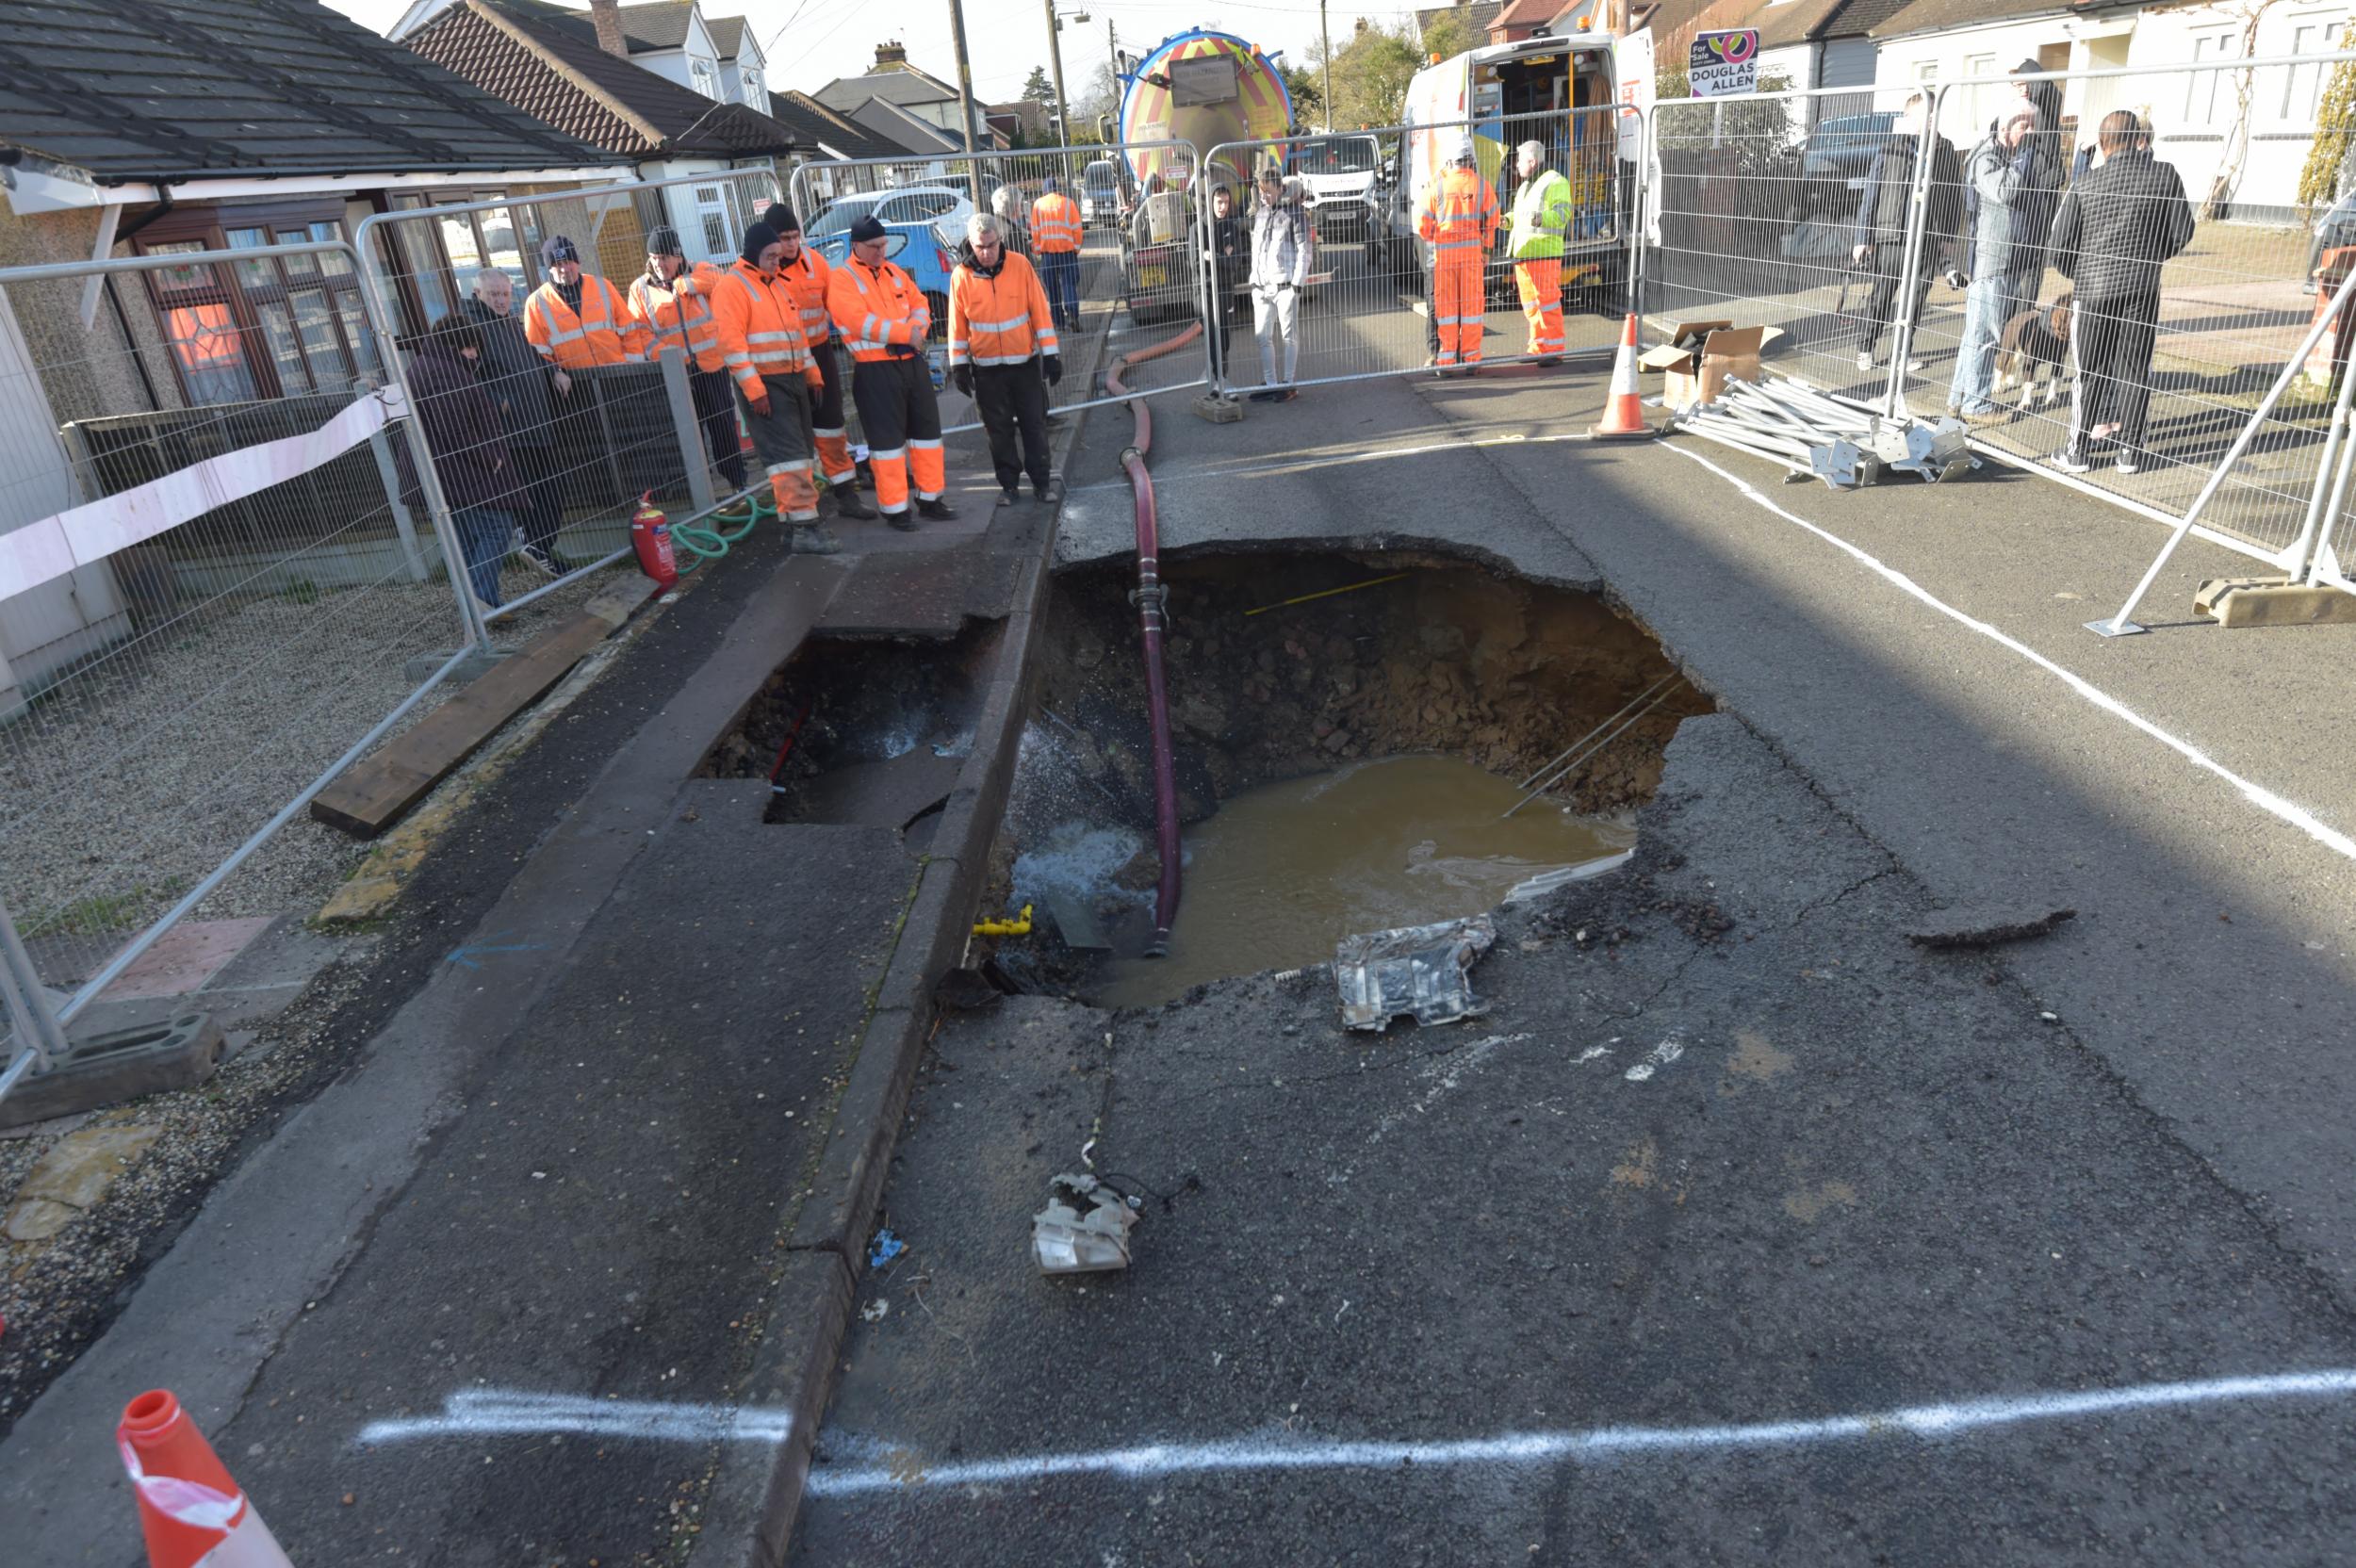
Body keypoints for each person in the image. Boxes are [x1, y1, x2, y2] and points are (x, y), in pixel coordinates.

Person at [2045, 108, 2196, 475]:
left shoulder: (2085, 184)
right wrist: (2153, 257)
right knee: (2135, 368)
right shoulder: (2165, 176)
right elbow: (2183, 230)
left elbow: (2059, 245)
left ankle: (2078, 450)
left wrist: (2080, 273)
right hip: (2142, 289)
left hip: (2093, 291)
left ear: (2102, 143)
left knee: (2090, 371)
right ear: (2138, 138)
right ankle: (2129, 452)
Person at [708, 220, 840, 553]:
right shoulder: (732, 287)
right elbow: (732, 344)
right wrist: (756, 391)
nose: (777, 262)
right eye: (770, 256)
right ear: (753, 254)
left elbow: (797, 335)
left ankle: (793, 527)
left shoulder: (776, 284)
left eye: (779, 256)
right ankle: (805, 528)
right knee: (790, 457)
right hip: (766, 383)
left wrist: (813, 376)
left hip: (791, 379)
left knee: (797, 454)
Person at [828, 214, 957, 527]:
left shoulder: (893, 271)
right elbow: (858, 322)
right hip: (875, 371)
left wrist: (916, 330)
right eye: (874, 246)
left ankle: (931, 498)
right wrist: (906, 334)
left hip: (911, 363)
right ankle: (895, 509)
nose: (881, 251)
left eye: (884, 245)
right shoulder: (843, 279)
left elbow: (921, 304)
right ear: (856, 246)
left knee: (927, 436)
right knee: (887, 446)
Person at [758, 202, 874, 518]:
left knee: (831, 427)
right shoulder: (763, 271)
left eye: (795, 236)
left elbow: (836, 304)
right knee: (793, 440)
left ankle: (846, 494)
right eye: (784, 238)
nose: (791, 244)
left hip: (819, 354)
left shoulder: (816, 262)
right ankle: (802, 509)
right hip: (783, 363)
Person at [1949, 105, 2061, 424]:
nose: (2031, 135)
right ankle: (1976, 405)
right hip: (1992, 261)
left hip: (2010, 259)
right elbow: (2003, 190)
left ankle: (1957, 400)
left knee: (1976, 335)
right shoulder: (1986, 158)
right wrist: (2024, 158)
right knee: (1985, 336)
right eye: (2026, 128)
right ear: (2007, 127)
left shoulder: (2009, 157)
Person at [460, 269, 574, 577]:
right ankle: (536, 547)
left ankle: (539, 549)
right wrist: (499, 402)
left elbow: (529, 356)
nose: (500, 300)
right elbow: (463, 378)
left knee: (550, 488)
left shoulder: (507, 321)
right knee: (540, 492)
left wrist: (554, 372)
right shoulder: (473, 328)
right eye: (493, 294)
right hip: (512, 430)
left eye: (505, 294)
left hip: (535, 424)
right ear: (478, 294)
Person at [628, 226, 750, 503]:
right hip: (676, 375)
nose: (660, 264)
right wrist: (666, 356)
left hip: (711, 367)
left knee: (722, 426)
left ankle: (738, 483)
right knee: (688, 434)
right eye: (655, 257)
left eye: (665, 257)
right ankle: (701, 493)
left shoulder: (701, 271)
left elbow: (726, 283)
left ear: (678, 255)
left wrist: (687, 285)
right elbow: (640, 333)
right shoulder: (640, 289)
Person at [948, 213, 1062, 508]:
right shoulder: (961, 275)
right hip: (987, 370)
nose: (985, 252)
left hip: (1024, 364)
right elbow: (957, 325)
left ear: (1000, 240)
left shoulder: (1020, 265)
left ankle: (1042, 482)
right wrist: (958, 365)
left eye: (991, 245)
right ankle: (1009, 486)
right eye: (979, 247)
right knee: (997, 431)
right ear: (970, 244)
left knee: (1034, 425)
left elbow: (1040, 311)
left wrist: (1051, 354)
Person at [406, 315, 518, 612]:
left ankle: (480, 605)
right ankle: (481, 599)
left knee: (469, 539)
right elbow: (453, 428)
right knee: (497, 528)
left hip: (444, 472)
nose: (474, 355)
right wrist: (489, 458)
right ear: (453, 344)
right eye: (469, 348)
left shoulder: (424, 365)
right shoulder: (445, 373)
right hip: (463, 472)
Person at [1850, 92, 1964, 373]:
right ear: (1909, 118)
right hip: (1893, 236)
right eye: (1921, 114)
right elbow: (1872, 193)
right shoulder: (1892, 149)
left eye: (1932, 113)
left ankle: (1903, 353)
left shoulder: (1946, 150)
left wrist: (1947, 236)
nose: (1928, 119)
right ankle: (1866, 347)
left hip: (1928, 238)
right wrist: (1863, 238)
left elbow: (1953, 197)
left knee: (1915, 301)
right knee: (1882, 296)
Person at [1419, 138, 1498, 376]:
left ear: (1450, 160)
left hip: (1444, 260)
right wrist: (1485, 250)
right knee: (1472, 309)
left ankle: (1445, 360)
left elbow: (1423, 227)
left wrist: (1438, 236)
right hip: (1473, 259)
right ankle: (1471, 358)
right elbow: (1493, 221)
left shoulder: (1438, 187)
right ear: (1471, 158)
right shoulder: (1482, 186)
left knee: (1446, 310)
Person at [522, 235, 647, 369]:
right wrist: (556, 375)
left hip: (618, 372)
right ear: (550, 269)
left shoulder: (603, 286)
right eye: (558, 264)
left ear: (578, 262)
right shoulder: (536, 303)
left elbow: (629, 329)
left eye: (568, 261)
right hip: (576, 383)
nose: (564, 269)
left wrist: (632, 367)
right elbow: (538, 352)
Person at [1506, 139, 1574, 364]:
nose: (1516, 165)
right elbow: (1519, 216)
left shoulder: (1555, 182)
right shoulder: (1526, 185)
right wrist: (1505, 221)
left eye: (1519, 161)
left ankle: (1553, 350)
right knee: (1532, 306)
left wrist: (1540, 218)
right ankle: (1538, 347)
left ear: (1532, 161)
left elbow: (1562, 216)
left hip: (1543, 254)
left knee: (1547, 303)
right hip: (1525, 254)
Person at [1248, 170, 1311, 402]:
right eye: (1261, 192)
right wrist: (1255, 280)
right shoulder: (1261, 214)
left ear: (1279, 188)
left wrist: (1297, 284)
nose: (1264, 196)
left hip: (1286, 285)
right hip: (1262, 285)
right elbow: (1256, 248)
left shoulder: (1296, 214)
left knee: (1288, 335)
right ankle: (1271, 383)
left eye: (1268, 191)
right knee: (1263, 336)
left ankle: (1288, 382)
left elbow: (1305, 250)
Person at [1202, 182, 1247, 392]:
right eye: (1219, 202)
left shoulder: (1232, 227)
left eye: (1226, 203)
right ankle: (1216, 378)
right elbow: (1197, 264)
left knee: (1226, 336)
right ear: (1210, 202)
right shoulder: (1199, 229)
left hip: (1227, 289)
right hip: (1208, 291)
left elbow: (1235, 262)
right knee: (1213, 335)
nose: (1223, 207)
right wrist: (1223, 256)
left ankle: (1223, 377)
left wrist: (1214, 257)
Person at [1031, 176, 1084, 335]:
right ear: (1057, 189)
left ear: (1045, 191)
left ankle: (1059, 323)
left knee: (1052, 289)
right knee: (1069, 285)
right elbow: (1077, 229)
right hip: (1067, 252)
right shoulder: (1068, 203)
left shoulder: (1038, 205)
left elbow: (1035, 230)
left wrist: (1038, 249)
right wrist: (1076, 249)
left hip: (1048, 255)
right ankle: (1072, 315)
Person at [990, 185, 1032, 257]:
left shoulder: (995, 224)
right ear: (1016, 207)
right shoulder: (1010, 234)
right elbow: (1019, 263)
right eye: (1020, 203)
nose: (1022, 205)